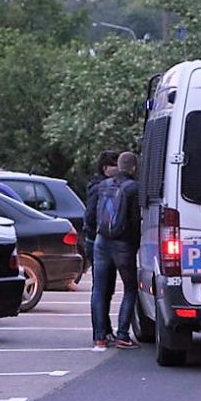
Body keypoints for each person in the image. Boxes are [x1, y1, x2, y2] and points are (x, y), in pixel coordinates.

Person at [89, 151, 141, 350]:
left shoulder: (104, 185)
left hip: (101, 241)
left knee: (99, 289)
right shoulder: (133, 188)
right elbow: (135, 220)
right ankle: (122, 335)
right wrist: (135, 244)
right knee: (130, 288)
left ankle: (100, 337)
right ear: (134, 168)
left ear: (119, 167)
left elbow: (94, 213)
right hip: (123, 243)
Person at [84, 150, 119, 347]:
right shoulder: (100, 188)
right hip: (98, 241)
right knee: (101, 289)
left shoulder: (98, 186)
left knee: (105, 289)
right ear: (106, 168)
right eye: (115, 165)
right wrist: (95, 232)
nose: (118, 168)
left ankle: (103, 330)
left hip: (95, 239)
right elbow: (90, 215)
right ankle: (101, 332)